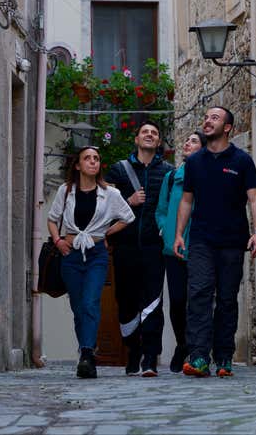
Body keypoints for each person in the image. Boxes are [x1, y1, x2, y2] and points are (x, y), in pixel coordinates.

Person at [173, 107, 256, 378]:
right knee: (199, 295)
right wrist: (179, 234)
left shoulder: (242, 161)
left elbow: (255, 198)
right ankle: (199, 356)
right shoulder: (195, 162)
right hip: (201, 239)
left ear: (227, 128)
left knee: (226, 299)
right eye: (206, 117)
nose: (207, 121)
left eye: (214, 118)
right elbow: (186, 199)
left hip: (233, 241)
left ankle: (224, 356)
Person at [48, 146, 135, 379]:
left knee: (90, 302)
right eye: (87, 158)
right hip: (71, 254)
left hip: (96, 253)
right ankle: (87, 348)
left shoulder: (110, 194)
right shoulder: (65, 191)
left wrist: (105, 233)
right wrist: (58, 241)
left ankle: (87, 354)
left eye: (96, 159)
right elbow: (52, 219)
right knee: (78, 307)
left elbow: (128, 217)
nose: (93, 162)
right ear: (77, 165)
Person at [106, 121, 173, 377]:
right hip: (125, 246)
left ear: (158, 143)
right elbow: (105, 207)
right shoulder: (118, 171)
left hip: (154, 248)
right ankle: (132, 352)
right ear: (136, 139)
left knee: (153, 302)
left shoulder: (168, 172)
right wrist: (129, 201)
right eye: (144, 131)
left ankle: (150, 358)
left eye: (154, 133)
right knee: (126, 301)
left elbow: (173, 206)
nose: (149, 135)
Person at [154, 130, 206, 373]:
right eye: (187, 140)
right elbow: (161, 209)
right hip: (172, 249)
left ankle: (197, 348)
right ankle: (182, 343)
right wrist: (165, 229)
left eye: (194, 141)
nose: (187, 142)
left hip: (199, 246)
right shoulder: (171, 176)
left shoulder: (207, 175)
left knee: (197, 300)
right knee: (176, 300)